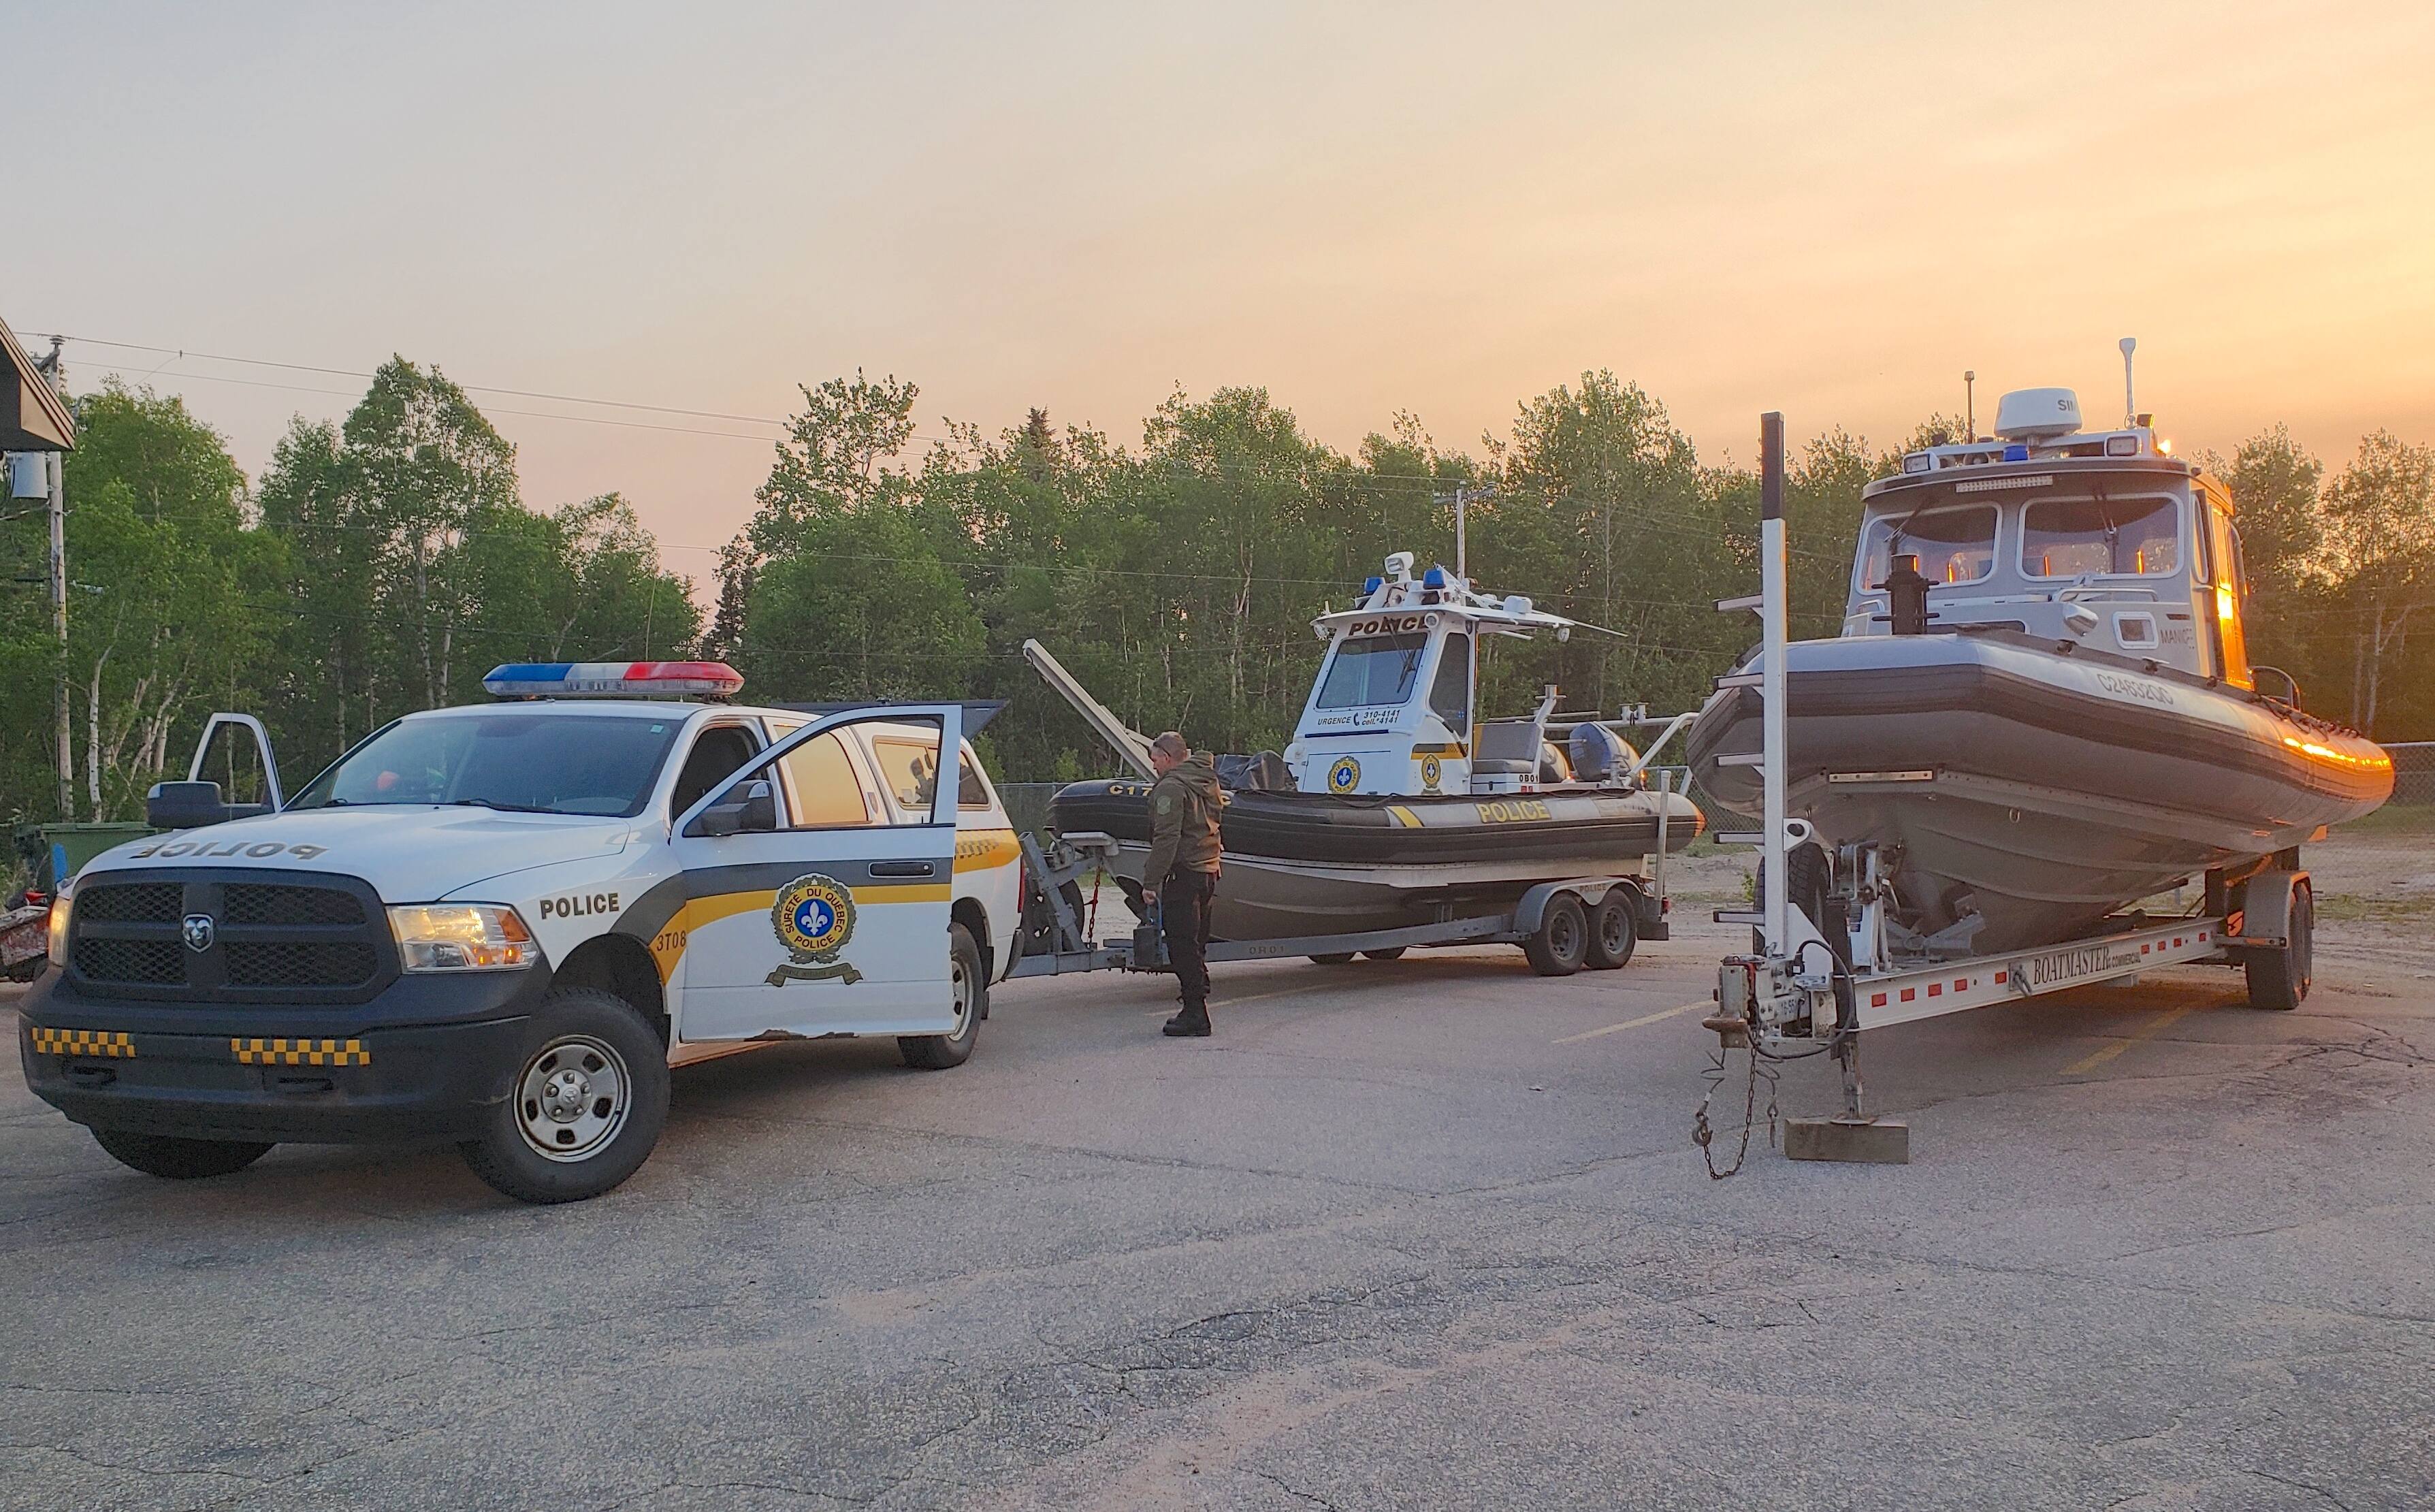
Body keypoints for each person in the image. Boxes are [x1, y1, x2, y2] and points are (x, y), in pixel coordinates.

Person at [1142, 730, 1223, 1037]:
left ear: (1166, 758)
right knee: (1195, 944)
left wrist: (1151, 881)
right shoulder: (1206, 782)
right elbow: (1213, 825)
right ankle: (1195, 1005)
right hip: (1208, 871)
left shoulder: (1172, 789)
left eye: (1155, 760)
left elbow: (1167, 837)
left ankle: (1195, 1013)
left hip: (1185, 874)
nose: (1154, 767)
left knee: (1182, 946)